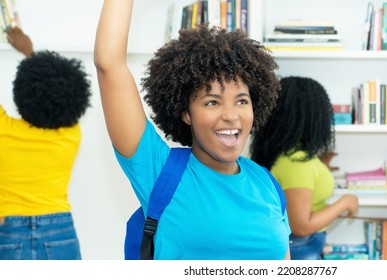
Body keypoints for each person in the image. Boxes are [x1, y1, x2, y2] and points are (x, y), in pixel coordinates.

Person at [94, 0, 290, 260]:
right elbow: (109, 65)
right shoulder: (158, 170)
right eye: (212, 102)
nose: (231, 116)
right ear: (186, 113)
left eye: (242, 101)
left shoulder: (266, 183)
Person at [0, 27, 91, 260]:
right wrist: (30, 51)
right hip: (60, 228)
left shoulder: (4, 130)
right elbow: (55, 88)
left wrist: (27, 52)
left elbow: (41, 82)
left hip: (8, 231)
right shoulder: (70, 135)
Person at [250, 76, 359, 260]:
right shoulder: (297, 162)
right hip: (301, 247)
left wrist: (320, 166)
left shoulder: (289, 155)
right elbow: (301, 226)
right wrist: (346, 202)